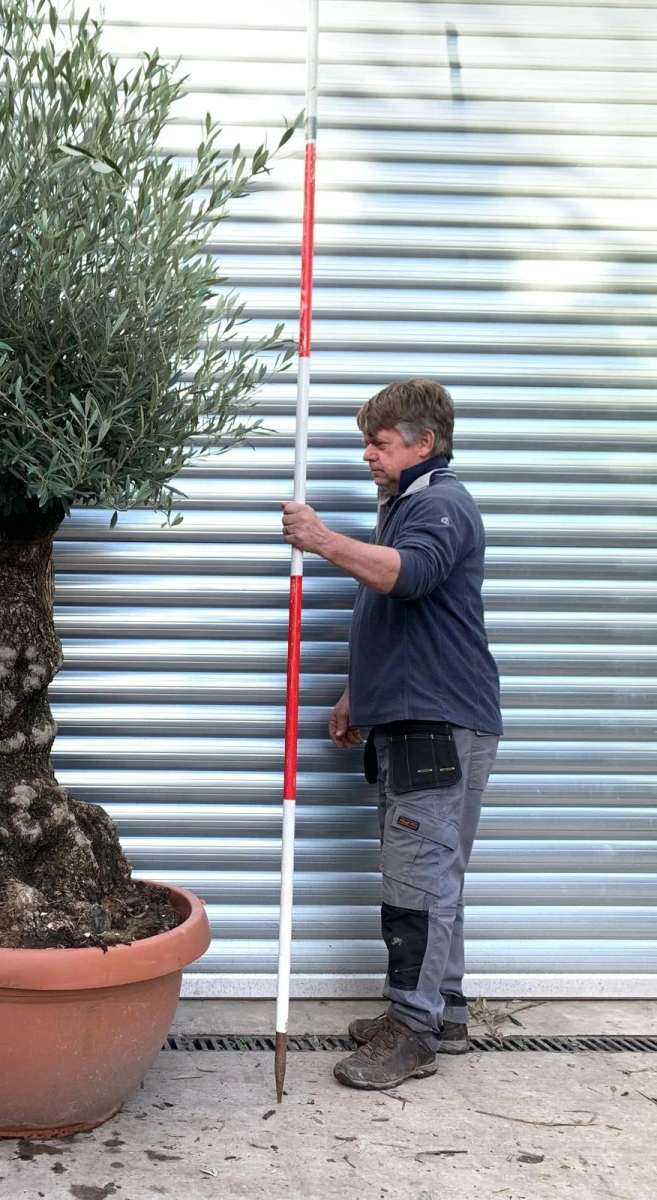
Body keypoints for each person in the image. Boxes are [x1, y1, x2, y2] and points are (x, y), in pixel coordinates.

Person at [280, 378, 502, 1091]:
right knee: (434, 871)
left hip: (438, 725)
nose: (367, 454)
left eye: (379, 442)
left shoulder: (440, 503)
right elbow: (404, 623)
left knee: (418, 876)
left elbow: (408, 580)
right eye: (367, 442)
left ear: (423, 443)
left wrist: (318, 539)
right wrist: (357, 694)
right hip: (414, 717)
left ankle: (412, 1028)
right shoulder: (405, 507)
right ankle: (447, 1011)